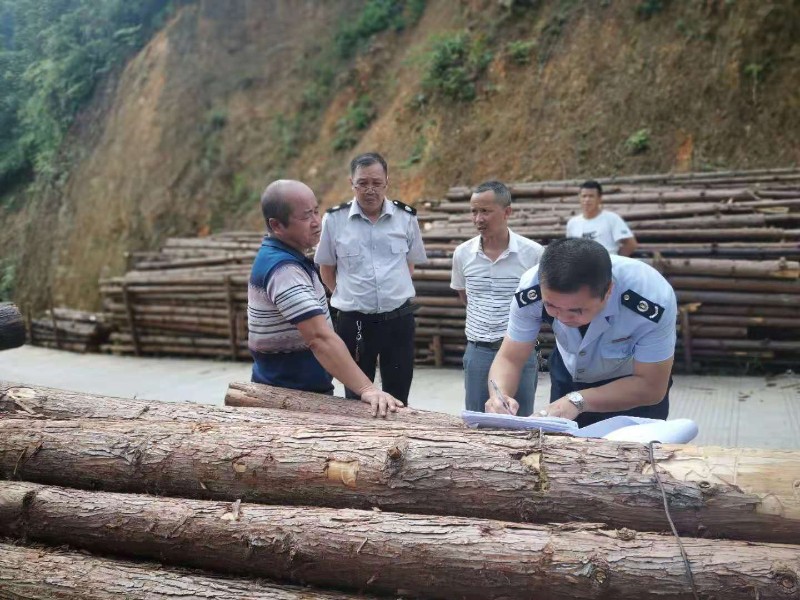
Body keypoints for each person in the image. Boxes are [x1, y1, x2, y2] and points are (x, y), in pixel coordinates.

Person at [247, 179, 403, 417]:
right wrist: (367, 389)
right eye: (305, 216)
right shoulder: (283, 270)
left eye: (316, 211)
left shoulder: (289, 258)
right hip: (288, 401)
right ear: (277, 225)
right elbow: (318, 337)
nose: (316, 223)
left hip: (298, 393)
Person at [486, 237, 676, 428]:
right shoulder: (531, 288)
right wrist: (498, 396)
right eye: (551, 306)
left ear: (608, 291)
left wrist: (577, 401)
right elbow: (510, 357)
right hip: (569, 373)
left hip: (632, 386)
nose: (563, 318)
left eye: (576, 310)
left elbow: (651, 386)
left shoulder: (651, 299)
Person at [315, 152, 427, 404]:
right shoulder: (334, 219)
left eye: (376, 183)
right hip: (354, 323)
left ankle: (397, 442)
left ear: (386, 182)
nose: (370, 190)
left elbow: (408, 266)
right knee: (357, 396)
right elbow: (326, 269)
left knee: (399, 395)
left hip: (398, 320)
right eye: (362, 183)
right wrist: (350, 296)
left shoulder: (406, 217)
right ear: (351, 183)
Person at [450, 180, 544, 416]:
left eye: (486, 211)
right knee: (477, 421)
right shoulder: (462, 254)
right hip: (478, 351)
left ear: (507, 212)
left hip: (520, 351)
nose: (478, 219)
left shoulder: (533, 254)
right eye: (474, 211)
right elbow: (466, 297)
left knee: (520, 422)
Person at [566, 180, 638, 256]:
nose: (587, 200)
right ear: (579, 198)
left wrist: (616, 261)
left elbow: (631, 244)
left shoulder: (611, 219)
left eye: (591, 196)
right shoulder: (572, 223)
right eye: (584, 196)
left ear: (599, 199)